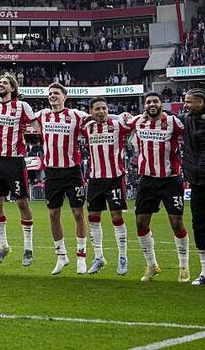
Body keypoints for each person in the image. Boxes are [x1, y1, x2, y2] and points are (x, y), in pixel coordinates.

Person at [123, 92, 189, 282]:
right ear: (144, 105)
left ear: (161, 104)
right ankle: (152, 265)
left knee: (176, 223)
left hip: (171, 180)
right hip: (147, 180)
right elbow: (120, 121)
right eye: (148, 102)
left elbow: (191, 127)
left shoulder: (174, 122)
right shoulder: (137, 121)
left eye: (155, 101)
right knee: (141, 222)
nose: (152, 104)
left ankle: (184, 266)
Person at [34, 83, 89, 276]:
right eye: (50, 93)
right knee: (53, 214)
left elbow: (97, 117)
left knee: (78, 213)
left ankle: (81, 256)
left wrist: (123, 117)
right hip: (51, 172)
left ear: (64, 96)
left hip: (72, 172)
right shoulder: (42, 115)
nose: (52, 96)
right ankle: (61, 256)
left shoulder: (76, 115)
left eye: (56, 93)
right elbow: (23, 119)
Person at [0, 74, 36, 266]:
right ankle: (3, 246)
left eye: (5, 83)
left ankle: (28, 248)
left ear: (13, 88)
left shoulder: (22, 106)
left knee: (22, 203)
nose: (0, 85)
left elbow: (36, 126)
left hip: (15, 161)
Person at [81, 97, 132, 276]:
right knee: (93, 217)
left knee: (116, 217)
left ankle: (122, 257)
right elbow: (79, 123)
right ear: (91, 111)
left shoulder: (117, 125)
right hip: (95, 179)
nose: (101, 111)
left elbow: (132, 123)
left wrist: (122, 115)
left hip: (114, 178)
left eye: (104, 108)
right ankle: (99, 257)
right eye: (97, 109)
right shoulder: (87, 128)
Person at [182, 88, 205, 286]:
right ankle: (204, 271)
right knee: (199, 224)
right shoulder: (187, 120)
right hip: (197, 181)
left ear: (201, 102)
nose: (185, 105)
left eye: (189, 102)